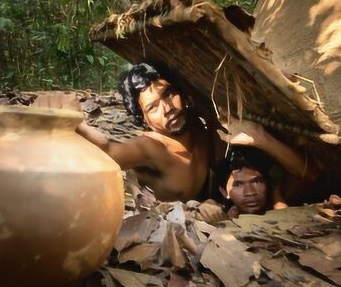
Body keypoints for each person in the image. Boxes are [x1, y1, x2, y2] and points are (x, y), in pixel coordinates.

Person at [35, 62, 223, 202]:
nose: (167, 109)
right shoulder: (150, 147)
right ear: (144, 119)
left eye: (168, 94)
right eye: (152, 108)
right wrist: (77, 125)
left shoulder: (198, 123)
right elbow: (108, 152)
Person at [216, 120, 318, 217]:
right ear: (224, 192)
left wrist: (260, 136)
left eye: (256, 181)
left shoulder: (280, 198)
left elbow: (309, 173)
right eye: (238, 184)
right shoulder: (220, 217)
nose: (250, 192)